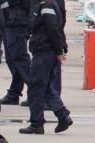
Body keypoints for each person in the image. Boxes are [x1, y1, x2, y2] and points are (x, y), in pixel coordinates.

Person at [19, 0, 72, 135]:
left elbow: (53, 29)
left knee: (35, 88)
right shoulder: (43, 4)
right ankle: (62, 115)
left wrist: (59, 50)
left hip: (44, 51)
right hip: (46, 50)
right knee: (47, 87)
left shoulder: (46, 5)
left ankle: (37, 123)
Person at [0, 0, 32, 106]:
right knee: (12, 59)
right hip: (8, 19)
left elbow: (28, 5)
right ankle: (14, 92)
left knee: (19, 57)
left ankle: (38, 92)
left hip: (17, 19)